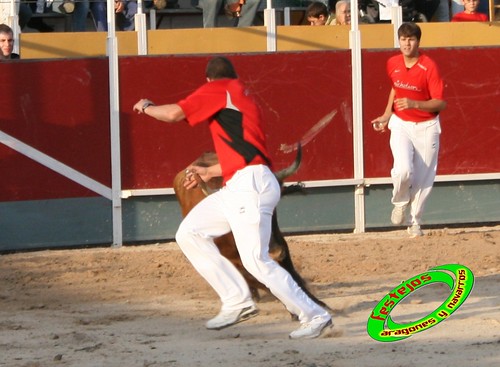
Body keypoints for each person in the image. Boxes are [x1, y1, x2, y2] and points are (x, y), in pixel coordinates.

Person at [132, 56, 333, 339]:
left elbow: (174, 114)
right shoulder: (243, 96)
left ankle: (315, 315)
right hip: (241, 183)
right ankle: (237, 300)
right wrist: (207, 171)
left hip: (249, 186)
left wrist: (148, 107)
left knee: (256, 261)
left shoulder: (220, 89)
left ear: (209, 80)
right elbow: (244, 155)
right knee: (189, 232)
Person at [371, 23, 446, 238]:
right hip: (401, 123)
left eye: (411, 39)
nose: (406, 43)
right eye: (403, 39)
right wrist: (387, 115)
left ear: (418, 42)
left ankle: (415, 222)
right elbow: (395, 88)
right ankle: (400, 201)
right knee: (403, 170)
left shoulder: (429, 66)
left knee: (424, 178)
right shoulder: (392, 63)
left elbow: (440, 103)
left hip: (427, 126)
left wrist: (416, 104)